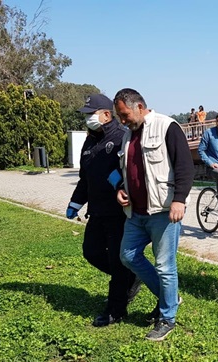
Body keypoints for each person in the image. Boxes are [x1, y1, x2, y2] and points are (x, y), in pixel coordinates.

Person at [113, 88, 195, 341]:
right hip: (135, 212)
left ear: (139, 106)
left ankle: (167, 318)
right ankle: (169, 297)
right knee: (127, 255)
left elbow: (184, 166)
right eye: (119, 116)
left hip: (163, 211)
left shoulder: (166, 127)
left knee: (165, 266)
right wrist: (119, 189)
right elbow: (124, 171)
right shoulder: (127, 135)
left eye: (125, 114)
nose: (122, 121)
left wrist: (179, 200)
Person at [67, 93, 140, 327]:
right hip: (96, 211)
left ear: (107, 114)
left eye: (91, 114)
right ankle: (131, 278)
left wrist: (119, 180)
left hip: (119, 213)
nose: (87, 118)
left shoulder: (122, 137)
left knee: (116, 261)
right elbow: (84, 179)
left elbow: (135, 169)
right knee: (91, 252)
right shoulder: (90, 141)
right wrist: (75, 203)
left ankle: (115, 309)